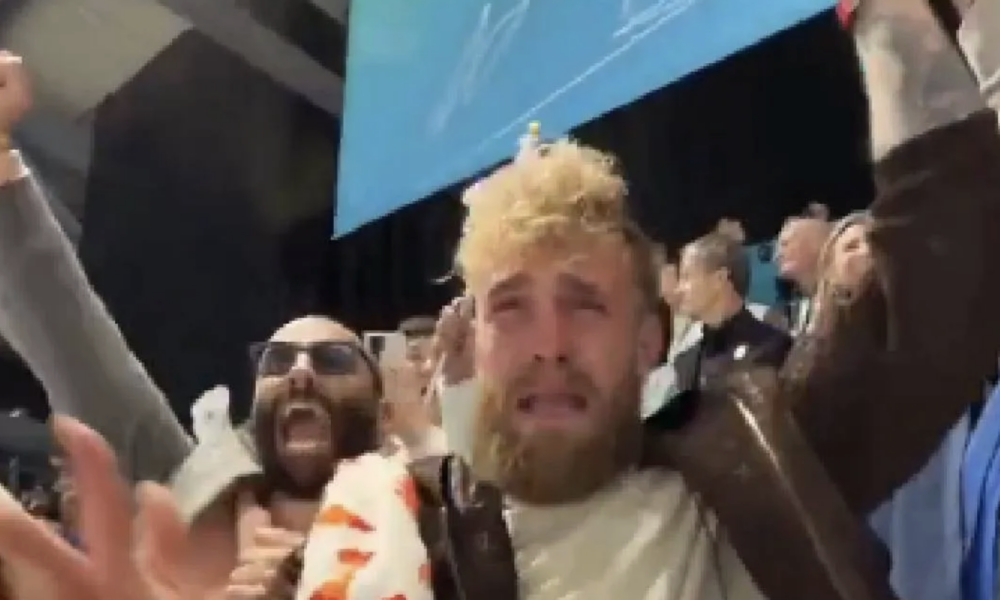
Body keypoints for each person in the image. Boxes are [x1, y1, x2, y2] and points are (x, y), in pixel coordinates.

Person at [2, 0, 1000, 596]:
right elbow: (117, 413)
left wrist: (885, 11)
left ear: (651, 338)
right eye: (512, 305)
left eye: (587, 302)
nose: (550, 340)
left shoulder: (765, 461)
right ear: (471, 344)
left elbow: (941, 261)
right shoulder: (401, 547)